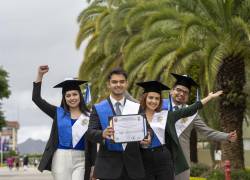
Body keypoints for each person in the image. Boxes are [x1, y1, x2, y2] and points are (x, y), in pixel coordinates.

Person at [137, 81, 223, 180]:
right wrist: (139, 142)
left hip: (163, 158)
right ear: (145, 98)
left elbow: (191, 109)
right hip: (144, 159)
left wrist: (209, 97)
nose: (154, 101)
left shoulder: (166, 115)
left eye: (157, 98)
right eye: (151, 98)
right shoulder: (137, 117)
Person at [162, 73, 237, 180]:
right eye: (178, 90)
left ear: (188, 96)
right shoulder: (159, 108)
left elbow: (208, 132)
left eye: (185, 92)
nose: (181, 94)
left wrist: (227, 136)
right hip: (161, 159)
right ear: (171, 91)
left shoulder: (192, 114)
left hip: (182, 161)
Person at [32, 65, 97, 180]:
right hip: (61, 158)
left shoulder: (89, 116)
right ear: (64, 98)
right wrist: (40, 75)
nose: (72, 98)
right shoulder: (58, 113)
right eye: (68, 95)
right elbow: (36, 99)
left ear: (80, 96)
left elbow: (92, 144)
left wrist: (93, 165)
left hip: (82, 159)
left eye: (75, 94)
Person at [86, 68, 150, 180]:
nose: (118, 84)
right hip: (108, 167)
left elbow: (147, 129)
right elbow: (90, 133)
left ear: (126, 84)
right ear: (108, 84)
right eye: (114, 82)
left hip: (133, 167)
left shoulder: (136, 106)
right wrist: (102, 134)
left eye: (121, 81)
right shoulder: (98, 108)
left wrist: (148, 137)